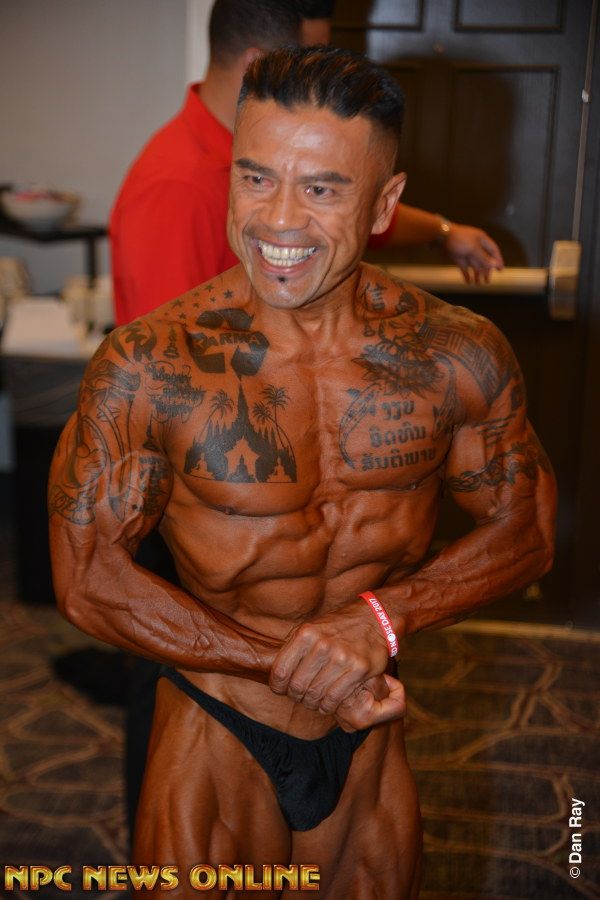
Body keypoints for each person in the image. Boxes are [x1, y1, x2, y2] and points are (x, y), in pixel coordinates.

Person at [50, 46, 555, 897]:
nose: (277, 220)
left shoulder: (452, 355)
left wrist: (379, 623)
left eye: (321, 189)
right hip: (218, 722)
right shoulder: (152, 365)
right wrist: (287, 664)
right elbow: (88, 579)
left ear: (385, 203)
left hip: (366, 732)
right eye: (255, 178)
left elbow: (529, 530)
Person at [110, 0, 504, 328]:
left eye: (316, 189)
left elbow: (348, 211)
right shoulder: (176, 185)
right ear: (257, 66)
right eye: (312, 58)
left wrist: (442, 232)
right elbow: (165, 354)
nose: (283, 217)